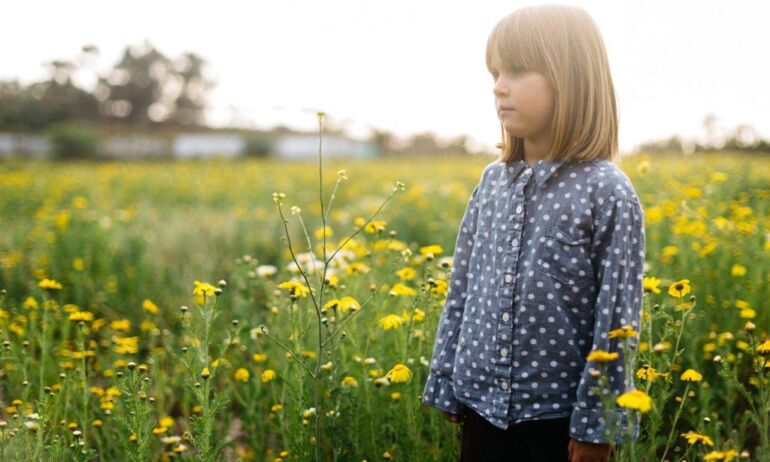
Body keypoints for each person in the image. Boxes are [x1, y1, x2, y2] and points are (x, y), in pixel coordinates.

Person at [421, 4, 646, 462]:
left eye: (519, 70)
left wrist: (598, 424)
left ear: (572, 79)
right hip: (479, 406)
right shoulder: (492, 181)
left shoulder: (606, 191)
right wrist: (446, 378)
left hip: (557, 422)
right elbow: (461, 286)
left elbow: (617, 319)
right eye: (496, 72)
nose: (499, 86)